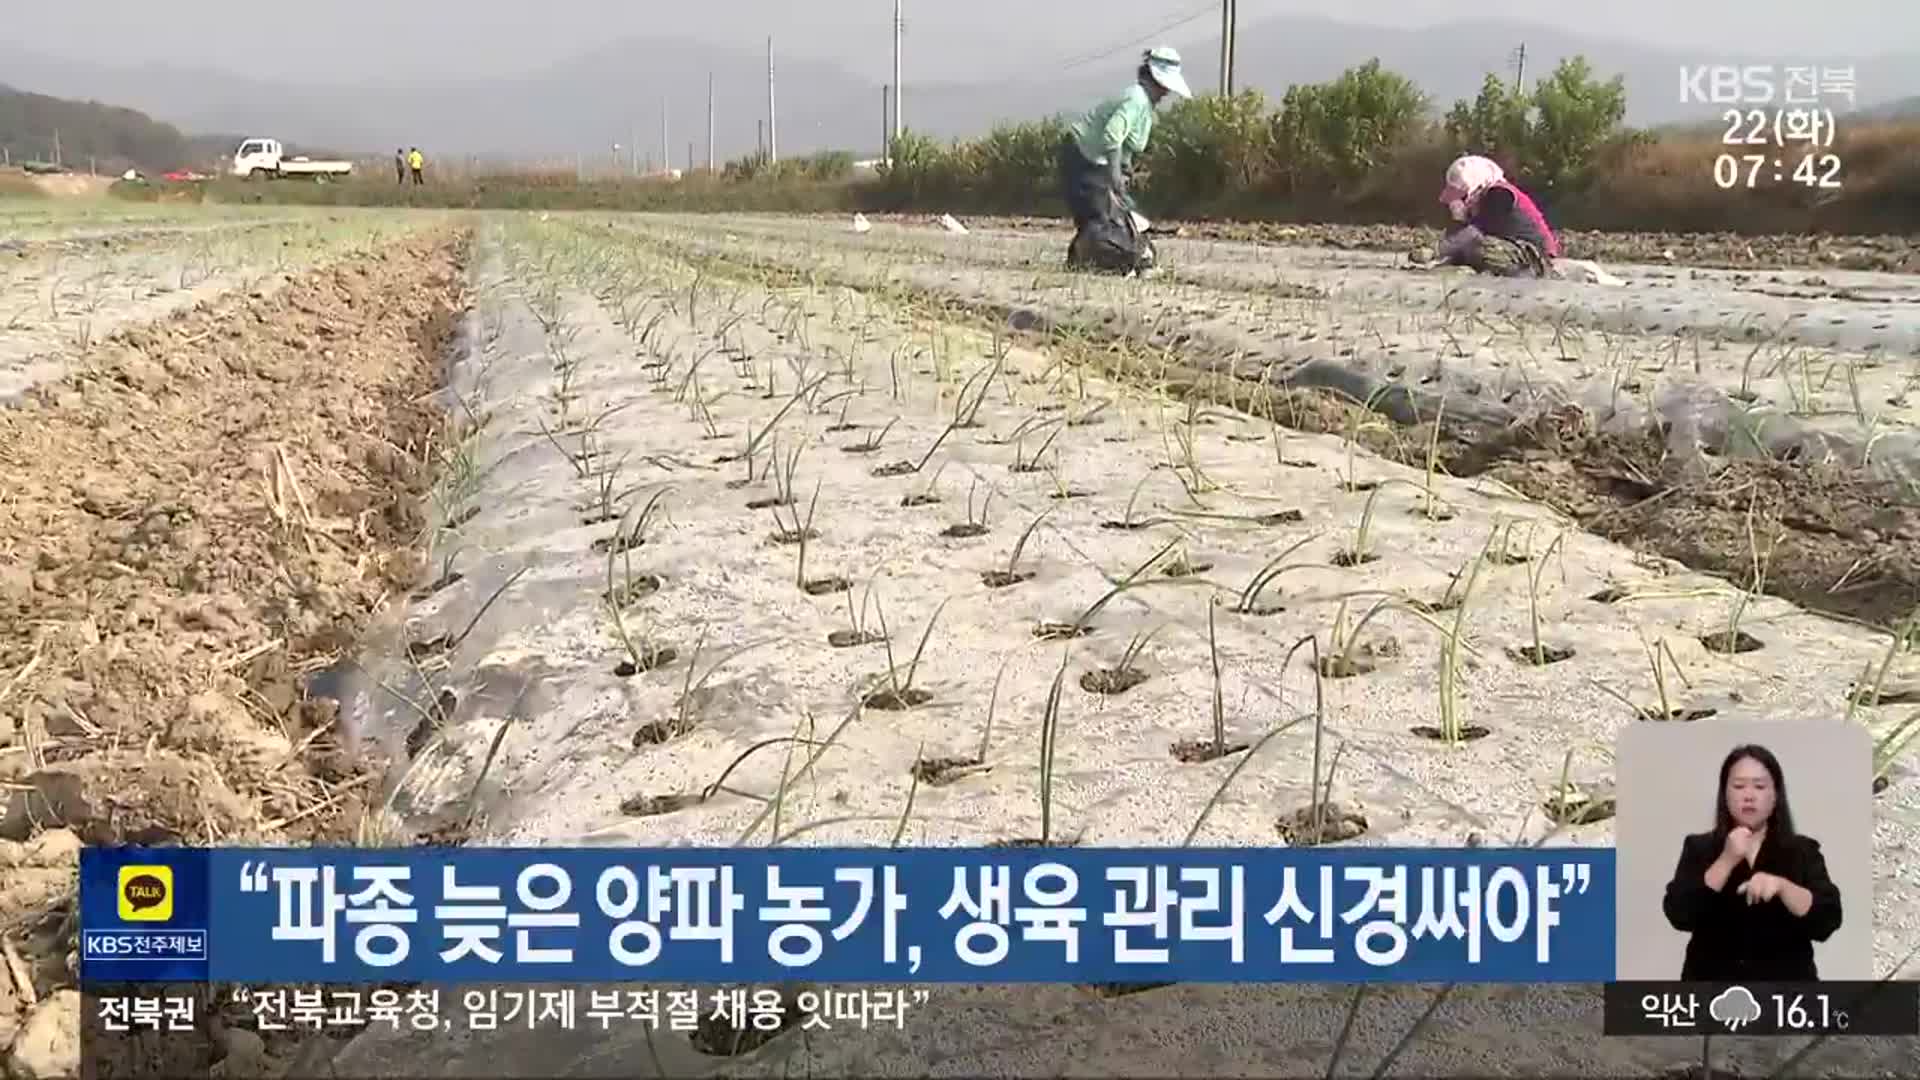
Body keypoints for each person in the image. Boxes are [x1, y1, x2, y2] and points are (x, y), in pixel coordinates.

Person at [1661, 744, 1843, 981]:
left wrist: (1783, 887)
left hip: (1787, 996)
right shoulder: (1699, 847)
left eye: (1759, 786)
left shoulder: (1803, 851)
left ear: (1776, 795)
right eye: (1738, 786)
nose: (1749, 795)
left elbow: (1827, 920)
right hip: (1711, 991)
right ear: (1725, 794)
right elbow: (1680, 915)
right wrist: (1726, 860)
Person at [1058, 45, 1190, 273]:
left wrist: (1124, 171)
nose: (1166, 93)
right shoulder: (1136, 99)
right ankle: (1087, 259)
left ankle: (1085, 259)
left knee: (1108, 217)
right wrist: (1114, 175)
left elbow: (1126, 146)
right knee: (1099, 217)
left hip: (1095, 161)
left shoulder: (1144, 106)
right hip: (1082, 158)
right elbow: (1112, 135)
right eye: (1164, 87)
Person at [1415, 154, 1562, 277]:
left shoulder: (1499, 195)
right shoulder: (1479, 201)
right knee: (1467, 247)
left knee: (1480, 248)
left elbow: (1475, 232)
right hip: (1509, 248)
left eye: (1462, 192)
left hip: (1535, 254)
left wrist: (1436, 251)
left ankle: (1530, 274)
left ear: (1475, 184)